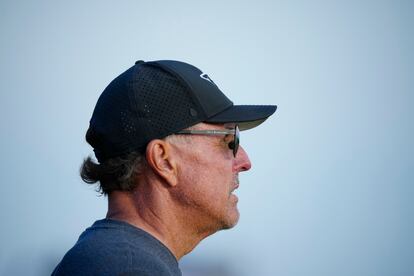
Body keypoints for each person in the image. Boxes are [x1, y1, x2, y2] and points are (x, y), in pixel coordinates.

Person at [52, 59, 277, 276]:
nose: (245, 162)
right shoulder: (129, 269)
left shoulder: (114, 259)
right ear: (164, 160)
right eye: (228, 141)